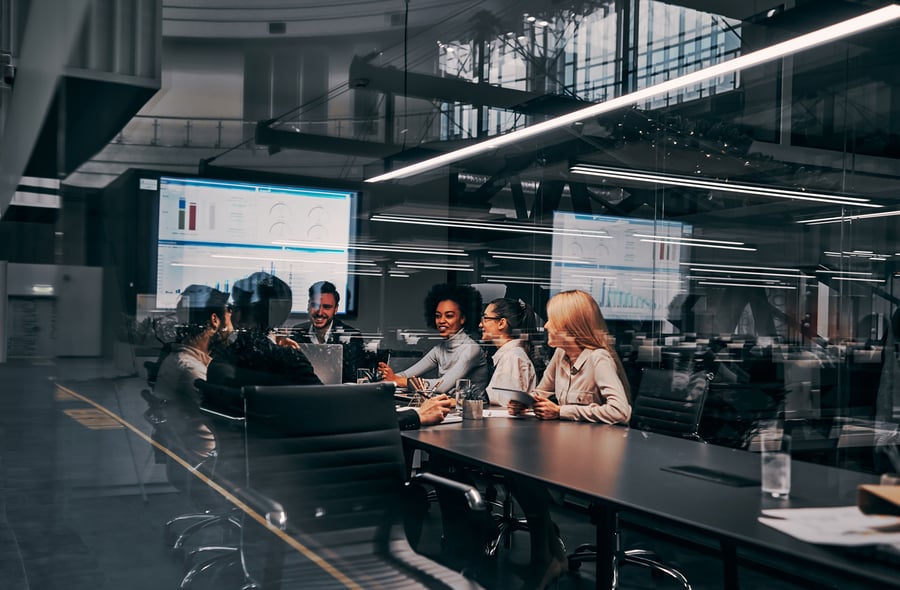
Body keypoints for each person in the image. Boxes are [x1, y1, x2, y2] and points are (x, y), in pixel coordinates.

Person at [506, 290, 632, 589]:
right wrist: (527, 402)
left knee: (526, 479)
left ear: (570, 326)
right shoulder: (562, 356)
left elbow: (621, 411)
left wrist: (562, 410)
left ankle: (549, 557)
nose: (546, 326)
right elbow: (542, 391)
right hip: (568, 449)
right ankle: (548, 556)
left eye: (552, 321)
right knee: (516, 474)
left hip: (599, 459)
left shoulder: (598, 359)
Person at [154, 284, 232, 462]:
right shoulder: (191, 371)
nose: (232, 317)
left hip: (190, 456)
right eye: (229, 310)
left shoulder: (180, 359)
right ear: (215, 320)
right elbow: (231, 412)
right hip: (210, 462)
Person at [208, 272, 321, 389]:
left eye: (234, 306)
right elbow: (325, 400)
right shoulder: (290, 359)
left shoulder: (222, 360)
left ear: (239, 315)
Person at [378, 283, 489, 395]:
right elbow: (405, 375)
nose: (441, 321)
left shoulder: (471, 349)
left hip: (474, 410)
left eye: (449, 315)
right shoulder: (439, 350)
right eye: (438, 316)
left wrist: (398, 380)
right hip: (450, 408)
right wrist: (386, 376)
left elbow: (442, 386)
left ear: (463, 319)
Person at [292, 280, 365, 383]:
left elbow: (353, 380)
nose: (320, 312)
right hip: (305, 394)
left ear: (335, 309)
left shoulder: (351, 336)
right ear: (308, 306)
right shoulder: (297, 332)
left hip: (337, 395)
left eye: (326, 307)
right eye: (315, 305)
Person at [481, 297, 539, 406]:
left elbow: (508, 405)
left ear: (501, 323)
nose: (480, 324)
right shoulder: (510, 355)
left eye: (485, 318)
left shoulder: (512, 357)